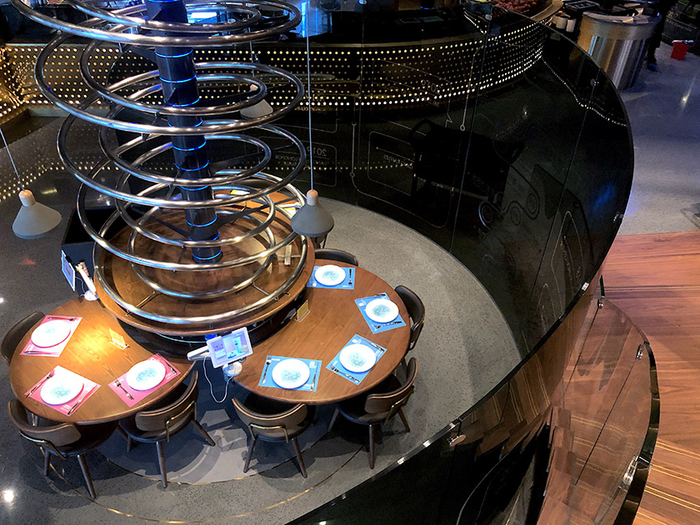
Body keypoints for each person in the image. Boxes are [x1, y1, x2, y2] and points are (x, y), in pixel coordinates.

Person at [647, 0, 677, 71]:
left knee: (657, 31)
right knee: (651, 29)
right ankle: (648, 55)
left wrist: (674, 3)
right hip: (653, 5)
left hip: (662, 6)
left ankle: (650, 55)